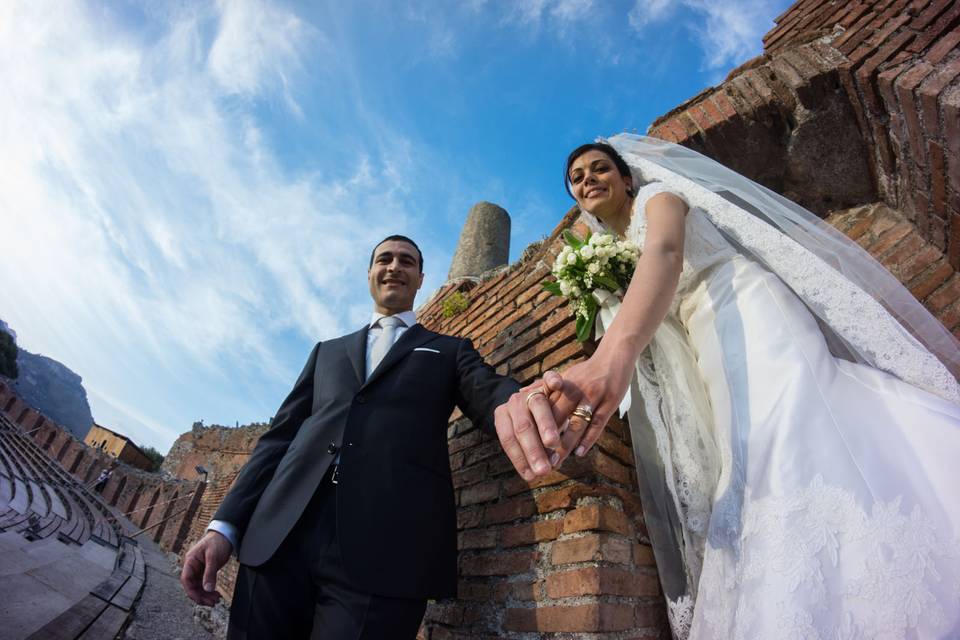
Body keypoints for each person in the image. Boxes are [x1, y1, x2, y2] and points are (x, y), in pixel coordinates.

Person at [509, 136, 960, 638]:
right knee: (742, 447)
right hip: (704, 341)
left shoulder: (660, 198)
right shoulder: (606, 253)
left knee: (785, 419)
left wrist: (611, 358)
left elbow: (664, 251)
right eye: (577, 177)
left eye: (599, 168)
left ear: (627, 176)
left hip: (742, 305)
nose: (588, 178)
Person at [180, 235, 561, 639]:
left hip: (385, 548)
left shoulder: (449, 351)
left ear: (420, 279)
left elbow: (488, 391)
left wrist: (521, 400)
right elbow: (278, 440)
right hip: (280, 535)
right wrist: (223, 527)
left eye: (407, 262)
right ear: (370, 274)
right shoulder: (326, 352)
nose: (395, 266)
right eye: (385, 259)